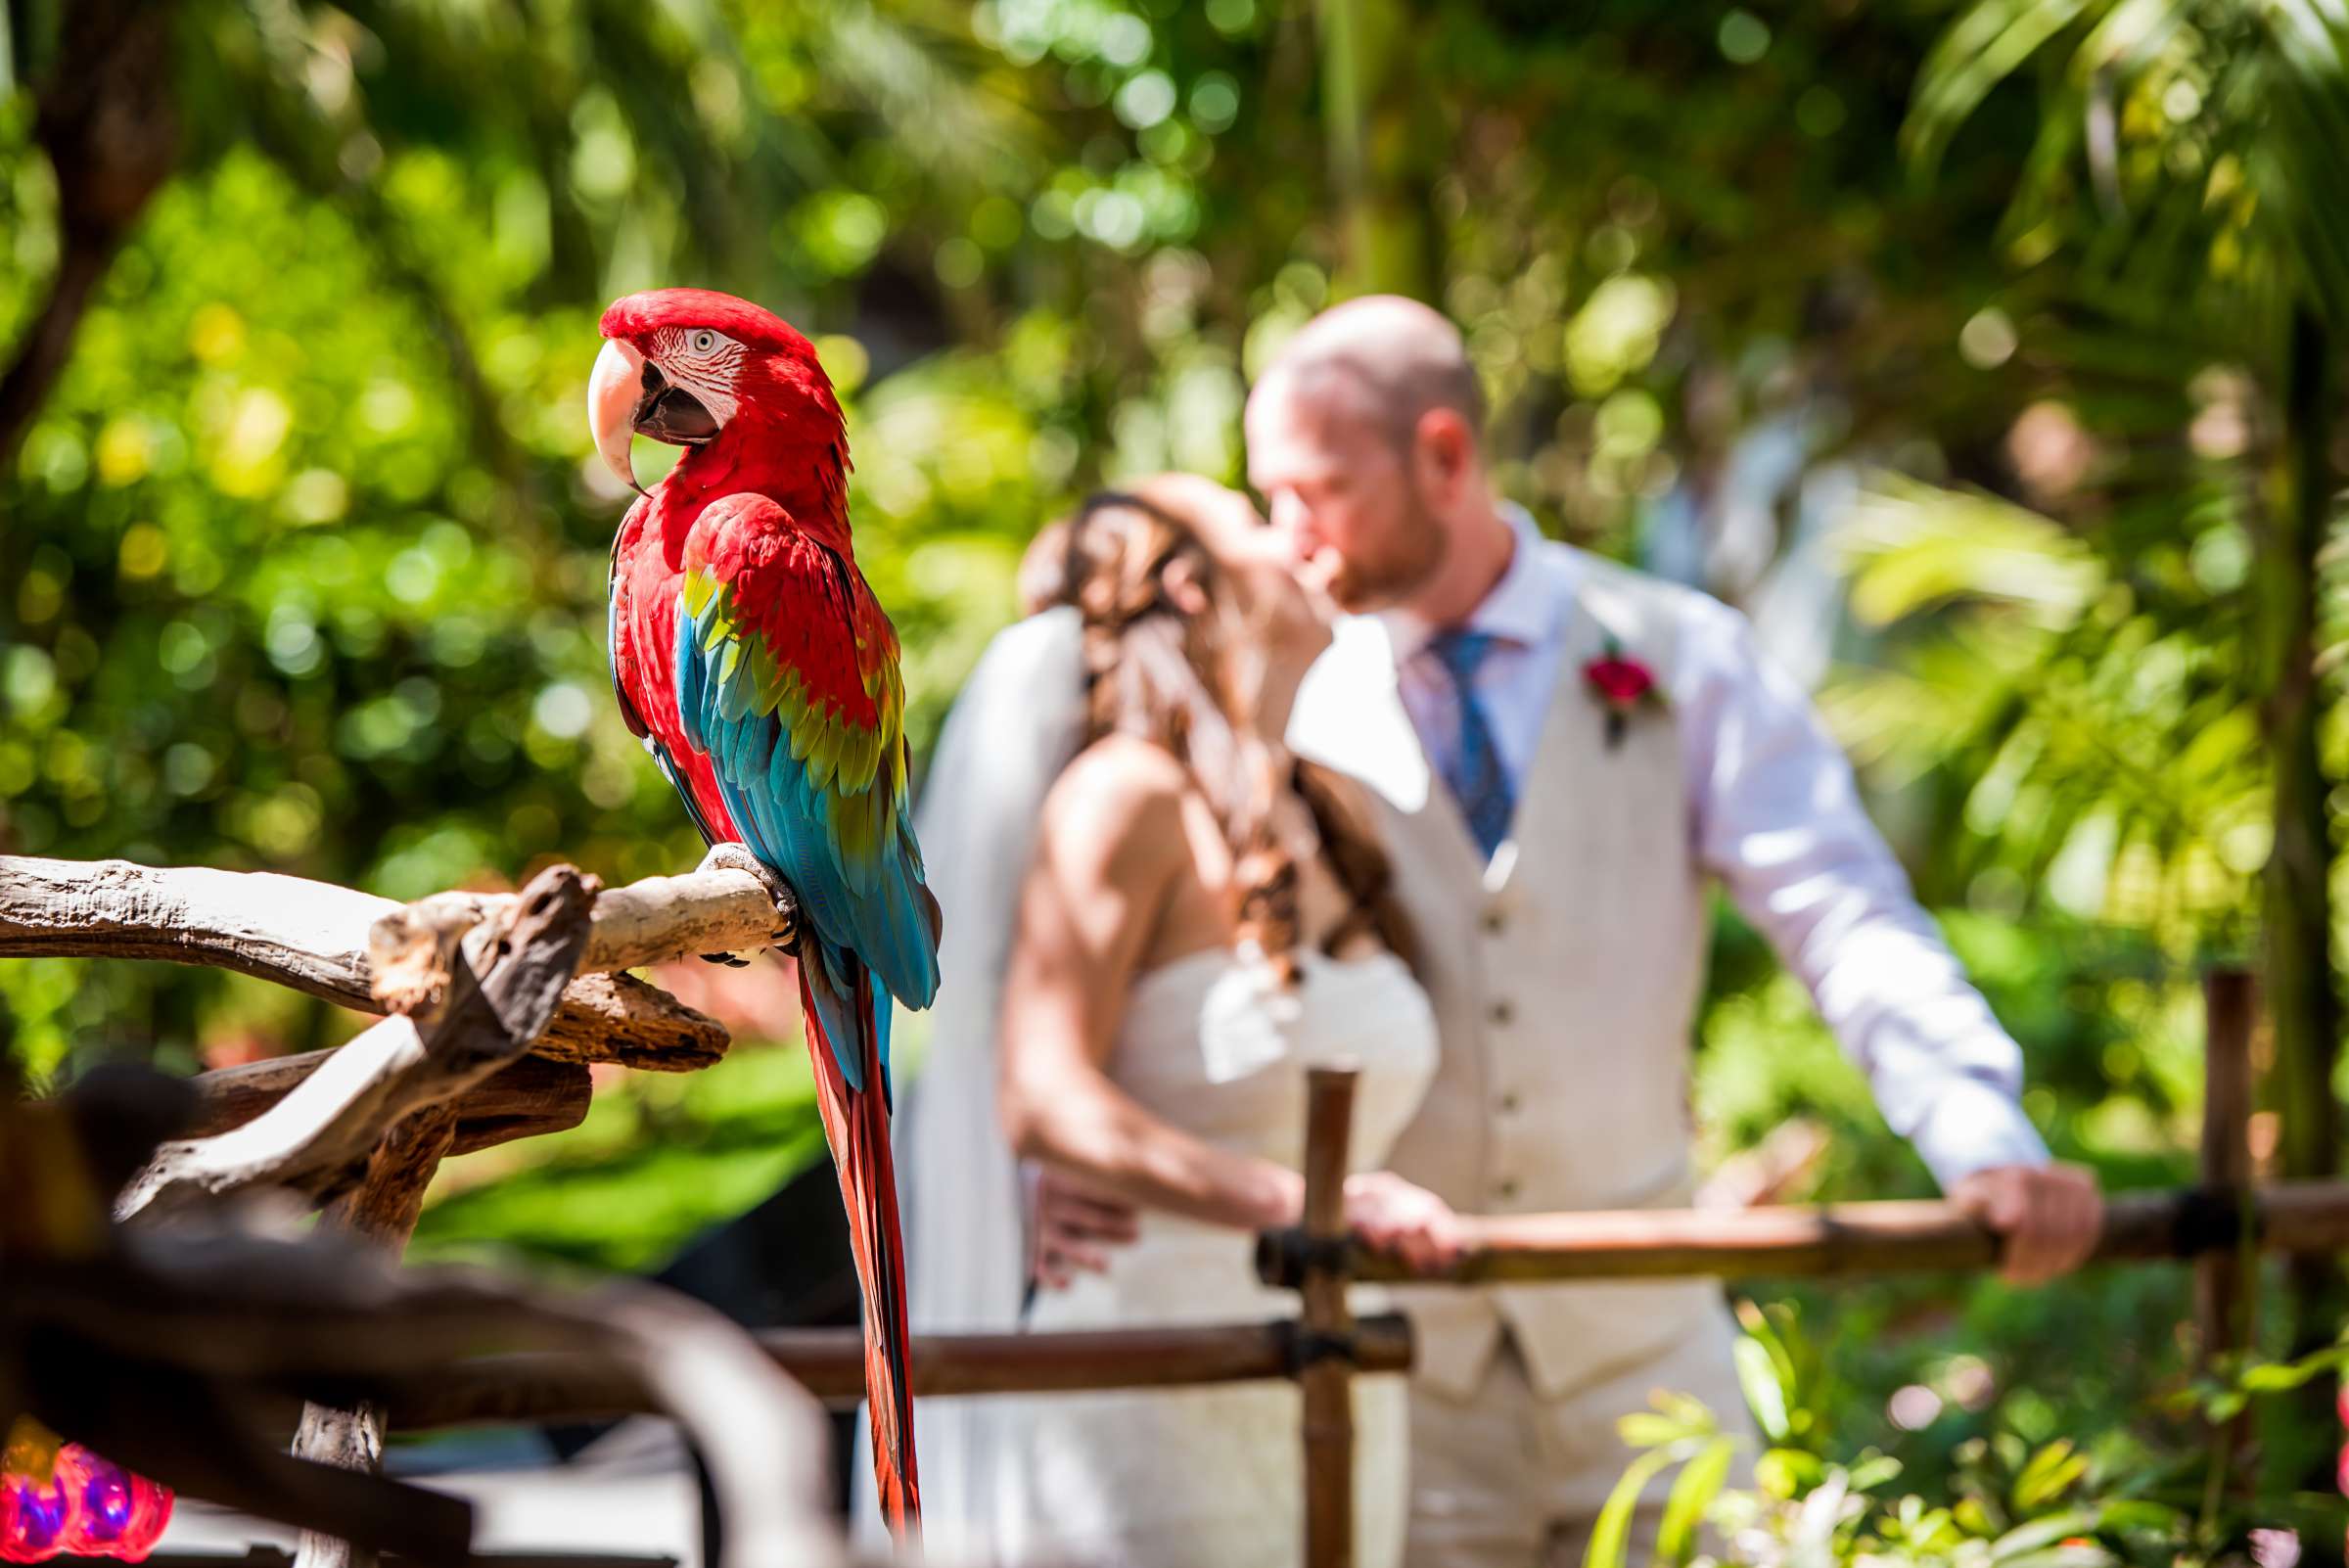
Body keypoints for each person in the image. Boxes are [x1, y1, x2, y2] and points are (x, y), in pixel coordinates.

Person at [1184, 295, 2101, 1567]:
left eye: (1320, 489)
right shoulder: (1284, 690)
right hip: (1401, 1376)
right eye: (1268, 494)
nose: (1286, 538)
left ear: (1445, 456)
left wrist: (1979, 1128)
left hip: (1653, 1364)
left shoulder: (1682, 653)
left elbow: (1841, 907)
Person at [987, 476, 1458, 1568]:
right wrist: (1310, 1210)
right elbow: (1042, 1095)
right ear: (1193, 590)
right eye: (1256, 522)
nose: (1298, 537)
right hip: (1147, 1379)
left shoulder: (1331, 804)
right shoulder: (1124, 797)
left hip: (1333, 1368)